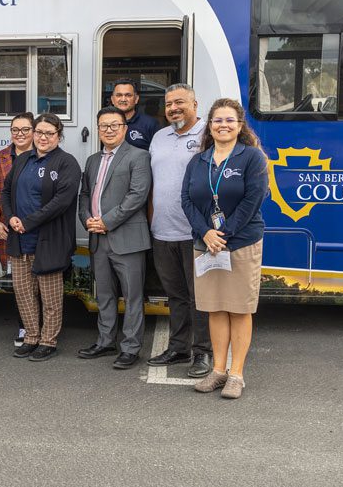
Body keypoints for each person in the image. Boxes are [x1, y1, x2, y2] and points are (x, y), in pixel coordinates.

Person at [181, 98, 269, 399]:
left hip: (241, 243)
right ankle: (218, 371)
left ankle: (237, 374)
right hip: (206, 245)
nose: (223, 125)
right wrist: (205, 232)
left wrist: (224, 234)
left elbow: (252, 201)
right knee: (215, 308)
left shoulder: (252, 158)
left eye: (229, 120)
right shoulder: (199, 161)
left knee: (240, 309)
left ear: (240, 125)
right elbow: (187, 201)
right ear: (210, 126)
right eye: (217, 120)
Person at [76, 107, 151, 370]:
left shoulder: (139, 156)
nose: (108, 130)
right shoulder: (93, 160)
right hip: (98, 238)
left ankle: (130, 348)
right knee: (105, 295)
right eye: (103, 125)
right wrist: (87, 218)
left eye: (114, 125)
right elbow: (84, 194)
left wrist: (106, 221)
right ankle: (106, 341)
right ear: (97, 129)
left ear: (125, 128)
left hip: (126, 238)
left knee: (132, 296)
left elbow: (137, 196)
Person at [2, 113, 80, 362]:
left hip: (48, 240)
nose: (43, 137)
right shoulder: (23, 159)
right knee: (24, 294)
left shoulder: (67, 163)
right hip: (20, 239)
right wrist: (11, 217)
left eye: (49, 133)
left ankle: (48, 340)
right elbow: (5, 191)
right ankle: (31, 337)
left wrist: (29, 221)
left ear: (59, 135)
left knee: (50, 297)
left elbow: (62, 202)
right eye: (39, 132)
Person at [148, 84, 212, 378]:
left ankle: (202, 352)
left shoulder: (207, 135)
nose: (173, 108)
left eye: (180, 102)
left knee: (199, 296)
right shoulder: (159, 137)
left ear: (195, 104)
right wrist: (151, 222)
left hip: (195, 232)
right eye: (169, 103)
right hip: (162, 231)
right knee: (175, 295)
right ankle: (178, 347)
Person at [0, 112, 35, 347]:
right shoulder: (0, 159)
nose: (20, 134)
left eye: (25, 129)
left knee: (41, 280)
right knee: (19, 283)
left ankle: (43, 327)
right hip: (8, 230)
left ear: (34, 131)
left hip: (37, 230)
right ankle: (24, 327)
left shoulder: (42, 156)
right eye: (16, 130)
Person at [110, 79, 160, 151]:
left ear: (136, 99)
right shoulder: (105, 125)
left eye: (128, 95)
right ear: (112, 99)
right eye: (119, 95)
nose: (123, 99)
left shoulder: (150, 124)